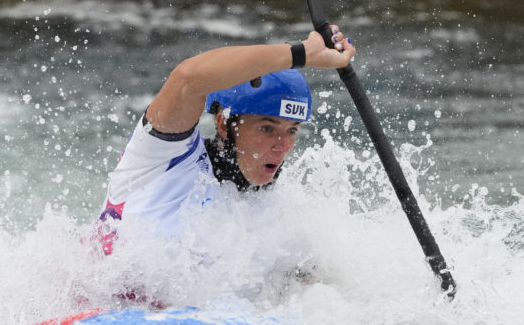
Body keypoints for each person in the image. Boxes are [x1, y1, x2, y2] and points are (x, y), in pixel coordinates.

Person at [97, 25, 355, 254]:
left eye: (292, 130)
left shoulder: (274, 215)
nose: (283, 146)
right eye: (267, 128)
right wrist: (302, 53)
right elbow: (187, 80)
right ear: (223, 123)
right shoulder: (163, 156)